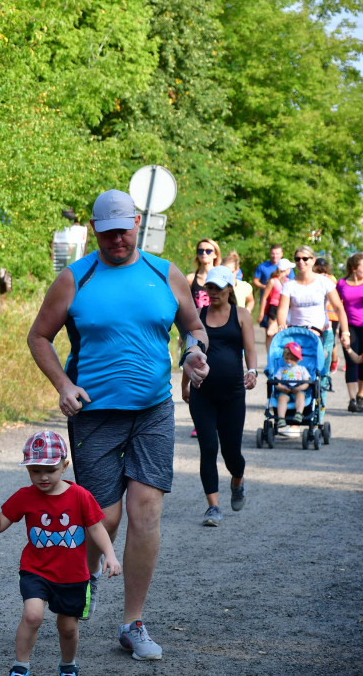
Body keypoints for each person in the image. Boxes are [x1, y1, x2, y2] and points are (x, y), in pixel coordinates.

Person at [27, 189, 209, 662]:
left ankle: (132, 622)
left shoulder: (163, 273)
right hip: (94, 414)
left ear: (138, 222)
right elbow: (39, 336)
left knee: (145, 512)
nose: (117, 241)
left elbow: (194, 326)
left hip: (153, 409)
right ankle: (81, 581)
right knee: (103, 517)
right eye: (107, 234)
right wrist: (64, 385)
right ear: (93, 230)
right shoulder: (75, 278)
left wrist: (193, 352)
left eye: (124, 231)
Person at [0, 431, 121, 676]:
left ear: (65, 466)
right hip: (36, 570)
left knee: (67, 627)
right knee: (33, 615)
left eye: (50, 470)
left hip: (73, 575)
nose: (43, 477)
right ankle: (20, 666)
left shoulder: (80, 496)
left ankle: (68, 665)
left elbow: (97, 528)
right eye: (35, 471)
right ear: (28, 470)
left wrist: (110, 554)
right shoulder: (25, 497)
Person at [180, 267, 257, 528]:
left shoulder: (242, 315)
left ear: (229, 289)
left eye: (217, 288)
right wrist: (185, 383)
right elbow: (189, 351)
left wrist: (253, 371)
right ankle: (213, 507)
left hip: (233, 394)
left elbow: (249, 349)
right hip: (203, 394)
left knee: (231, 451)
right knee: (208, 448)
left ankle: (237, 480)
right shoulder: (198, 317)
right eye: (209, 288)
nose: (212, 293)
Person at [276, 245, 351, 376]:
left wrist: (345, 332)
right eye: (297, 259)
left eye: (305, 259)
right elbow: (282, 309)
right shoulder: (289, 285)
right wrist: (282, 326)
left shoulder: (324, 282)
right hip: (297, 333)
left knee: (321, 375)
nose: (301, 262)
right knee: (298, 373)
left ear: (313, 260)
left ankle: (320, 394)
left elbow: (339, 307)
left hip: (322, 333)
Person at [336, 253, 363, 411]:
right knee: (352, 361)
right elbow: (336, 304)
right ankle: (352, 400)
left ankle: (361, 395)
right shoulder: (341, 284)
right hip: (349, 327)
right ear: (354, 268)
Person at [274, 342, 311, 430]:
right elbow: (277, 382)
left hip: (298, 389)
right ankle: (281, 418)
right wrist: (281, 387)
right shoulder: (282, 369)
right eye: (287, 359)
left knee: (301, 395)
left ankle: (298, 413)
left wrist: (300, 388)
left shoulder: (302, 369)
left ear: (298, 359)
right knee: (281, 398)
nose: (289, 361)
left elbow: (306, 382)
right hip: (285, 390)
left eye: (292, 359)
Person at [260, 258, 294, 352]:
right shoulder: (273, 281)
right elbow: (264, 297)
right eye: (289, 268)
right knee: (271, 334)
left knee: (281, 333)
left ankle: (279, 354)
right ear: (286, 269)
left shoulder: (288, 282)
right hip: (273, 308)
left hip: (285, 308)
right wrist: (261, 313)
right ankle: (270, 356)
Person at [253, 244, 286, 325]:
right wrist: (267, 287)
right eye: (273, 253)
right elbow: (255, 281)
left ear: (282, 254)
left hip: (282, 303)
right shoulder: (262, 266)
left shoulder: (286, 267)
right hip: (267, 302)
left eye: (277, 253)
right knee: (268, 330)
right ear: (270, 254)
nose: (275, 256)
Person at [186, 238, 221, 310]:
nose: (204, 253)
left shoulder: (221, 277)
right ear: (197, 255)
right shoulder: (190, 279)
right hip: (196, 320)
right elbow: (185, 303)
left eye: (208, 251)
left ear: (216, 254)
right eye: (201, 251)